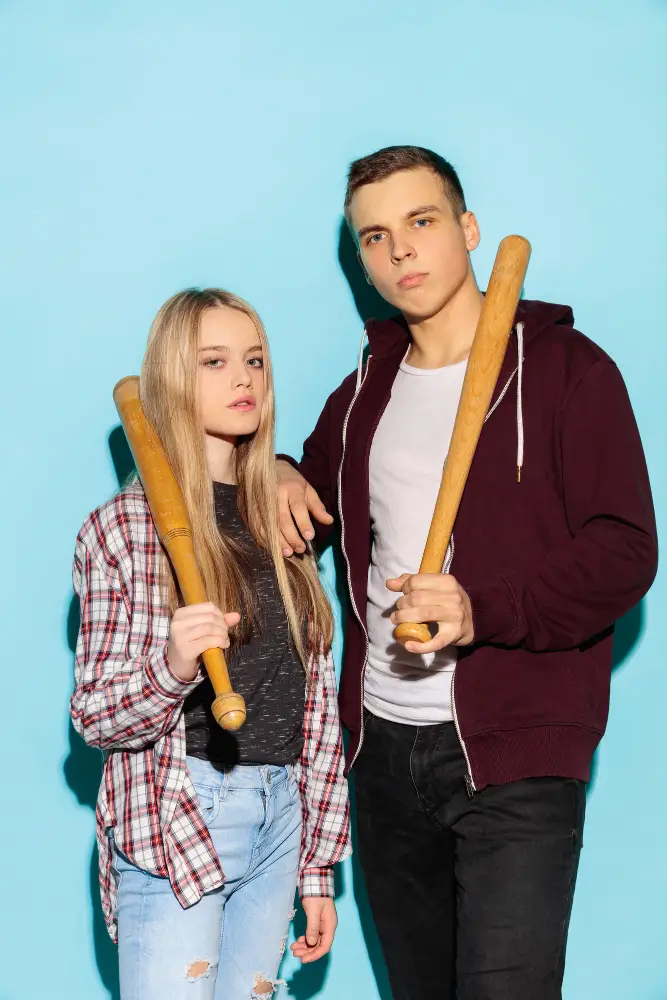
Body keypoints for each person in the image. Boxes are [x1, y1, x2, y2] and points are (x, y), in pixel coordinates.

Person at [276, 145, 658, 999]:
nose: (399, 250)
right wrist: (273, 471)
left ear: (467, 229)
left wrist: (484, 609)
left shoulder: (567, 371)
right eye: (374, 237)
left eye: (420, 222)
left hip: (513, 755)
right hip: (378, 750)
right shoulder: (366, 387)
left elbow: (625, 548)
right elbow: (311, 502)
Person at [71, 288, 351, 1000]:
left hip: (281, 812)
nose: (244, 378)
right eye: (215, 361)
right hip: (182, 808)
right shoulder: (123, 532)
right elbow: (95, 715)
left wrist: (316, 867)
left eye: (254, 360)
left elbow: (310, 710)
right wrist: (170, 668)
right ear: (170, 381)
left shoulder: (280, 521)